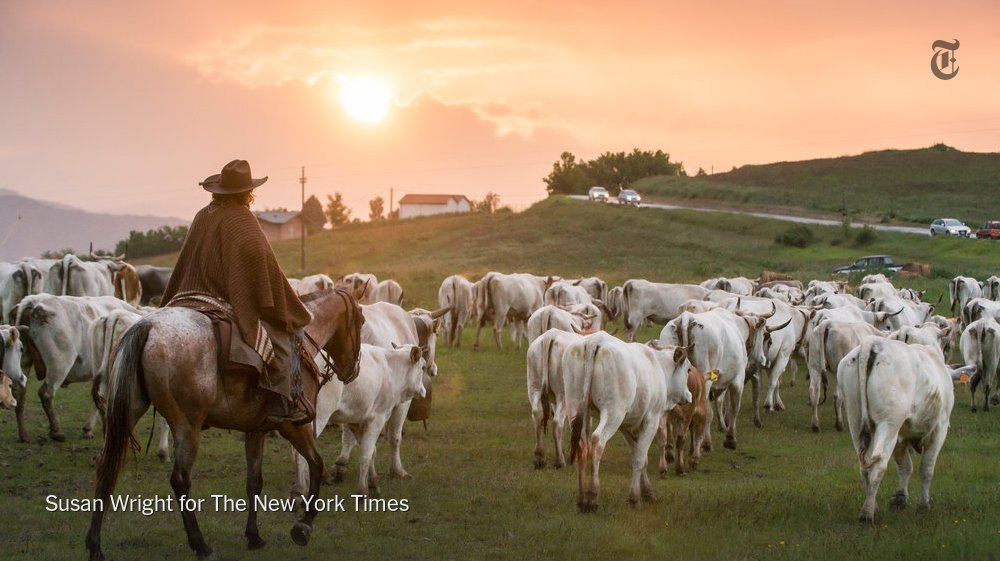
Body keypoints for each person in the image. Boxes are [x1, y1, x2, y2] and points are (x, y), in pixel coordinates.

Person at [160, 159, 314, 425]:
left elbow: (188, 260)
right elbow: (263, 265)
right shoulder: (243, 220)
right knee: (286, 338)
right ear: (248, 192)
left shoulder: (202, 215)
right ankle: (282, 402)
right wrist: (287, 307)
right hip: (220, 300)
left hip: (185, 296)